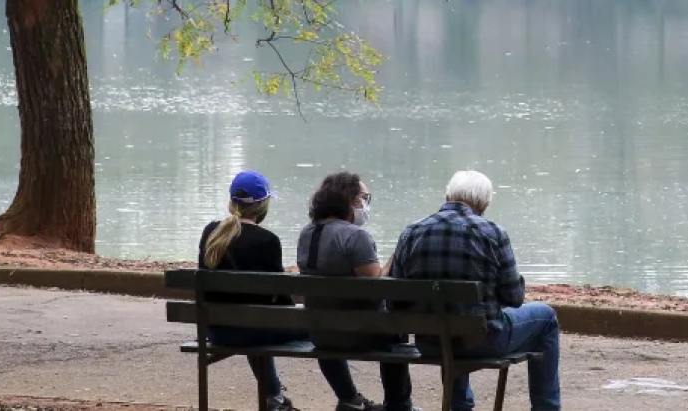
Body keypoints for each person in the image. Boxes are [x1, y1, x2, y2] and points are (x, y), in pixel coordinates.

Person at [198, 170, 371, 411]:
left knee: (252, 319)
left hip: (216, 330)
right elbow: (280, 300)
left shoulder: (210, 232)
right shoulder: (267, 240)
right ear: (263, 205)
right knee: (321, 327)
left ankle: (274, 398)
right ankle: (350, 399)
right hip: (254, 330)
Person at [389, 170, 560, 411]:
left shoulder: (411, 232)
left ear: (448, 195)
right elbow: (514, 297)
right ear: (485, 202)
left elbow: (396, 301)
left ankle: (461, 405)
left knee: (447, 320)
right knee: (546, 317)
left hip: (430, 342)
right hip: (485, 341)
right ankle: (547, 408)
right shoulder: (492, 232)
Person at [297, 172, 419, 411]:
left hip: (321, 332)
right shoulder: (357, 236)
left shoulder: (306, 234)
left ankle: (349, 398)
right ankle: (398, 404)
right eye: (364, 197)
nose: (366, 204)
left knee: (331, 320)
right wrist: (396, 257)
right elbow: (376, 289)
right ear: (349, 200)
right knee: (397, 328)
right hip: (365, 333)